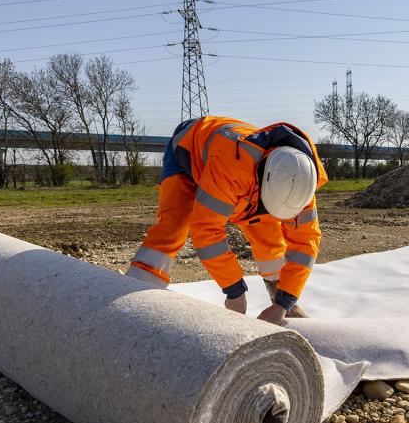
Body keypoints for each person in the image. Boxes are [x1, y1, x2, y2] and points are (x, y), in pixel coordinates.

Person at [126, 116, 327, 326]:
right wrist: (235, 291)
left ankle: (280, 296)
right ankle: (136, 291)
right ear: (261, 184)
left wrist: (284, 302)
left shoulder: (301, 182)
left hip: (244, 175)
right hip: (188, 152)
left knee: (268, 234)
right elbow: (206, 230)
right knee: (175, 225)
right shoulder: (232, 168)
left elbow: (305, 243)